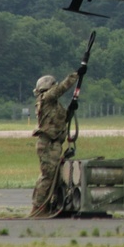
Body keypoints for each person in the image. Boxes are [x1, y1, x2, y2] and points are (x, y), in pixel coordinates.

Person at [29, 68, 82, 216]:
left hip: (54, 143)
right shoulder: (46, 98)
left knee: (54, 177)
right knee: (48, 177)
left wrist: (70, 111)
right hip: (48, 143)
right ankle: (38, 209)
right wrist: (77, 75)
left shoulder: (52, 104)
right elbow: (61, 88)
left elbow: (59, 121)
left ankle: (46, 207)